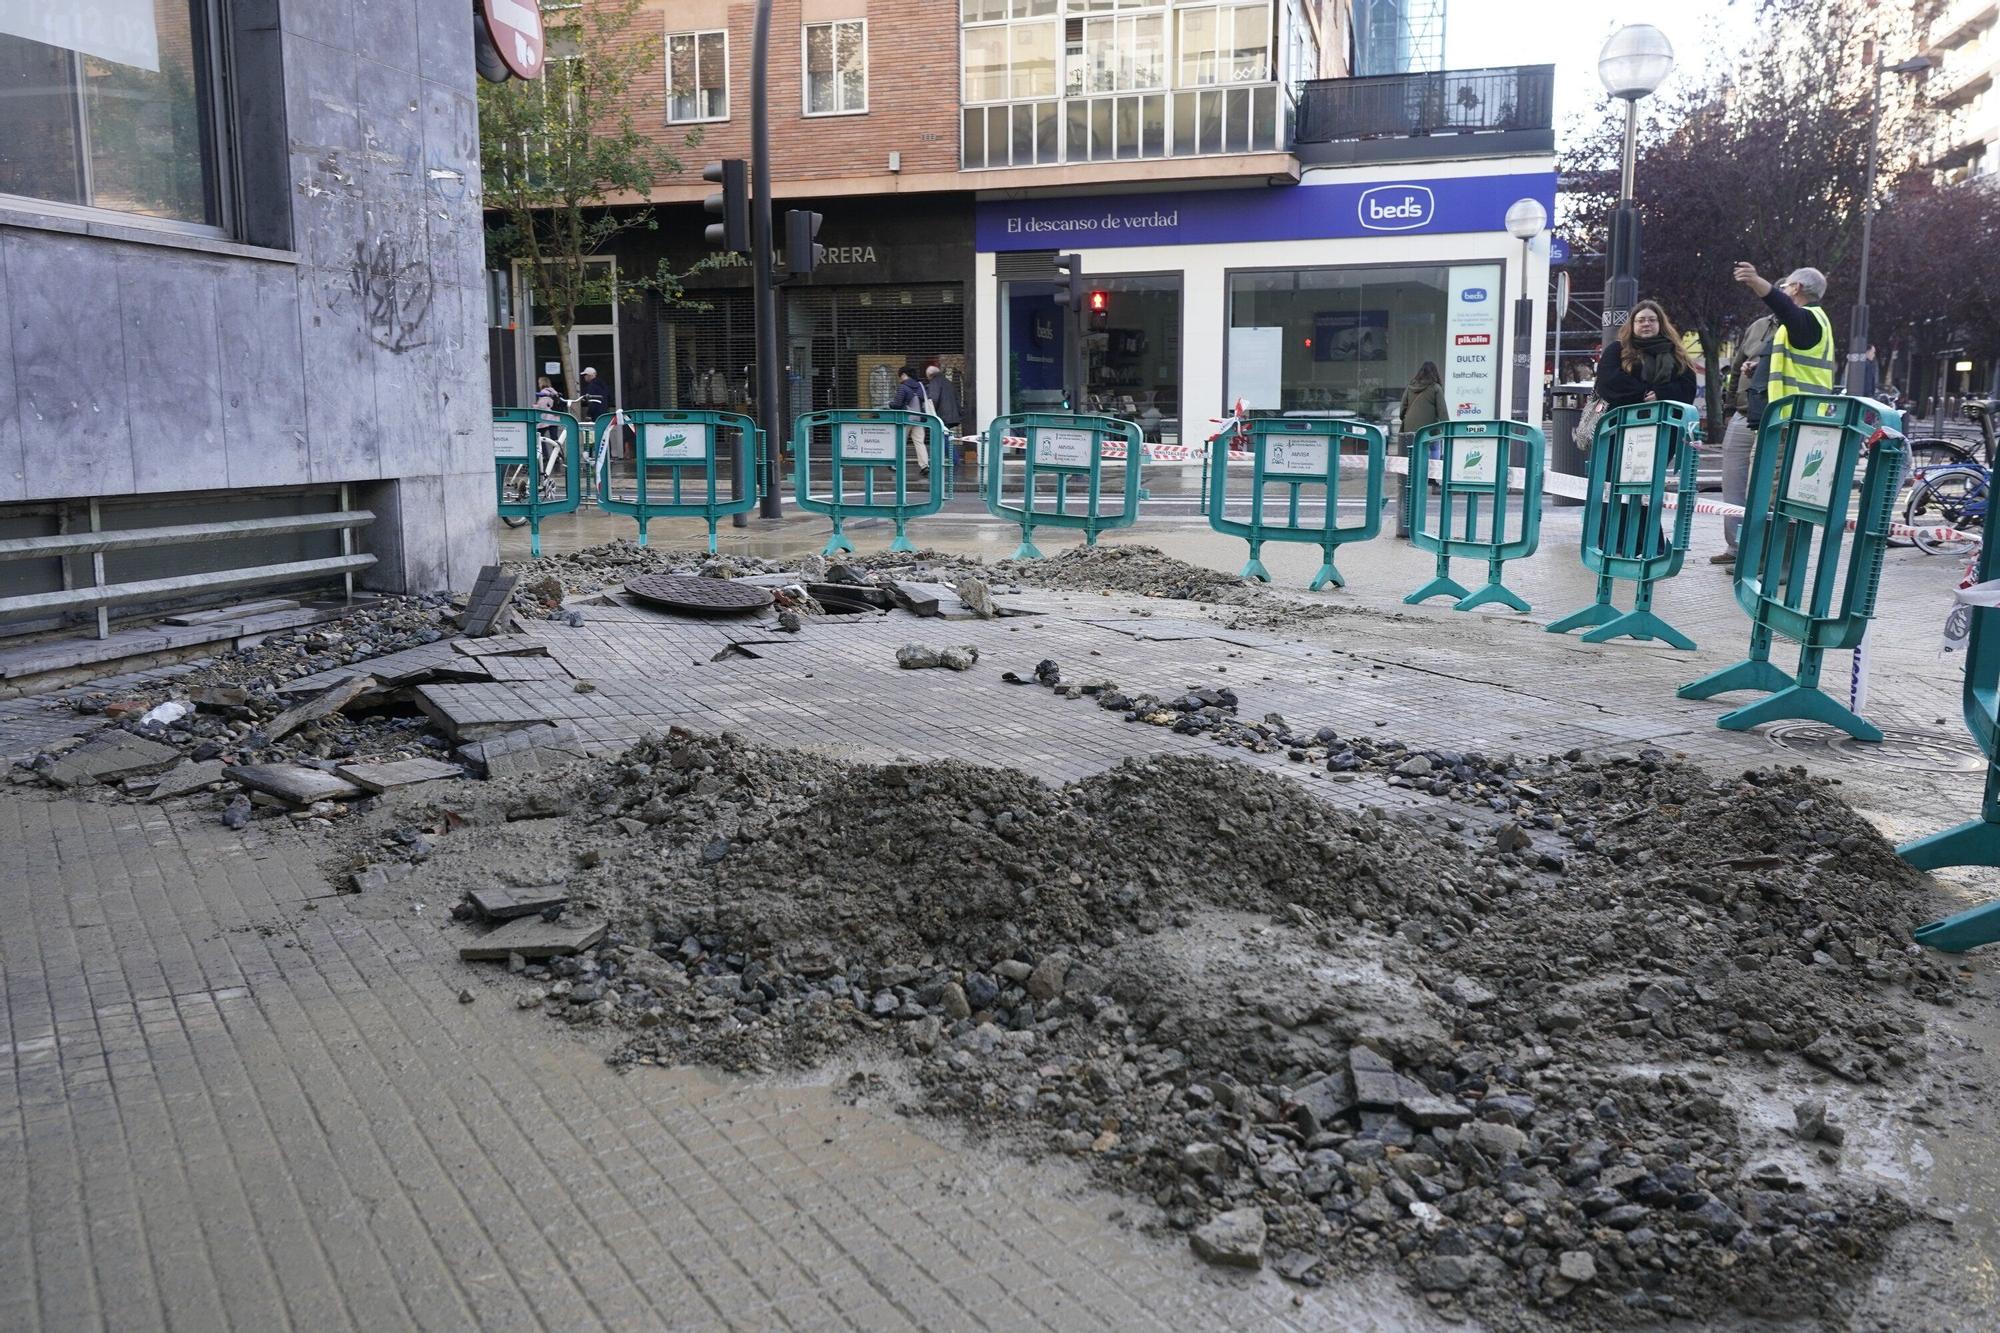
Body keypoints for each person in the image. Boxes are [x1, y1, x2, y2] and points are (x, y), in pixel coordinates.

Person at [1712, 314, 1774, 566]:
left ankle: (1758, 552)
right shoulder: (1758, 326)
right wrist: (1729, 408)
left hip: (1773, 417)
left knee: (1763, 487)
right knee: (1733, 484)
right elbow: (1736, 368)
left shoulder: (1800, 324)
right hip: (1743, 413)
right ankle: (1736, 547)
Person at [1731, 263, 1836, 411]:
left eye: (1784, 287)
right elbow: (1797, 365)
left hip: (1795, 412)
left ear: (1796, 287)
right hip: (1801, 410)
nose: (1783, 291)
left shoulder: (1808, 321)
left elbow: (1783, 306)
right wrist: (1762, 367)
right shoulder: (1814, 321)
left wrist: (1756, 281)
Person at [1593, 300, 1698, 408]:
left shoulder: (1676, 352)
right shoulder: (1617, 349)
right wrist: (1644, 393)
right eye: (1640, 320)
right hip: (1620, 416)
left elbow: (1688, 388)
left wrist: (1661, 394)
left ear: (1660, 324)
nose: (1646, 324)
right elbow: (1609, 381)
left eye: (1652, 320)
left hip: (1666, 415)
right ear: (1632, 324)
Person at [890, 365, 933, 475]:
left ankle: (896, 463)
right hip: (919, 418)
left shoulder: (903, 387)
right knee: (919, 442)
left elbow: (897, 404)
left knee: (900, 441)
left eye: (900, 376)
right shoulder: (921, 386)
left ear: (904, 375)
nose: (900, 379)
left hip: (906, 419)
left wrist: (890, 404)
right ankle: (924, 466)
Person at [1399, 361, 1445, 433]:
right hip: (1428, 430)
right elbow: (1443, 412)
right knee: (1434, 438)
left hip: (1409, 428)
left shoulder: (1410, 386)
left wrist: (1406, 418)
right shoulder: (1436, 388)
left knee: (1410, 440)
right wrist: (1447, 429)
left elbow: (1402, 409)